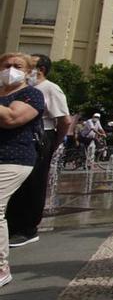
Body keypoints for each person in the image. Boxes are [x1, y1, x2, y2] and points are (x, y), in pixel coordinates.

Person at [6, 54, 70, 248]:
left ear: (39, 70)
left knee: (34, 183)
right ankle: (13, 225)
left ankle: (28, 228)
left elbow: (64, 120)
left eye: (26, 66)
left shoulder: (50, 88)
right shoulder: (20, 88)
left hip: (43, 135)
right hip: (21, 137)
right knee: (17, 184)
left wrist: (54, 143)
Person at [0, 52, 44, 288]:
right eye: (6, 65)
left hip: (13, 159)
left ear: (28, 72)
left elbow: (11, 118)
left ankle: (1, 268)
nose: (10, 69)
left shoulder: (31, 94)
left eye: (17, 66)